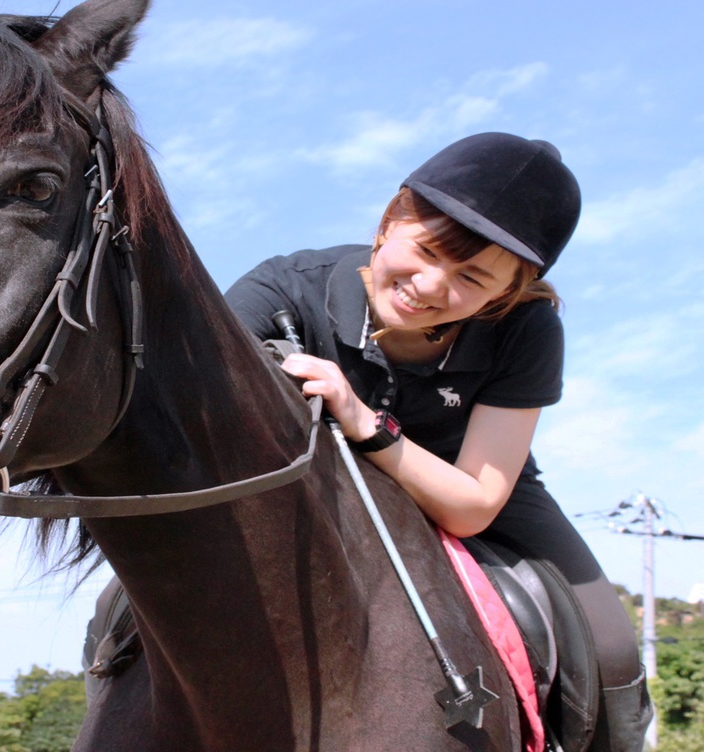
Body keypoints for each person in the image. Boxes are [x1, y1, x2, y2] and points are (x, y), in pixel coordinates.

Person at [224, 132, 652, 752]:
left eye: (472, 277)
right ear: (389, 222)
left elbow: (473, 506)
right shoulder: (281, 289)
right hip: (315, 482)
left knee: (610, 646)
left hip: (472, 487)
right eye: (424, 251)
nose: (429, 286)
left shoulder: (527, 328)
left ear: (505, 293)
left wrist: (362, 418)